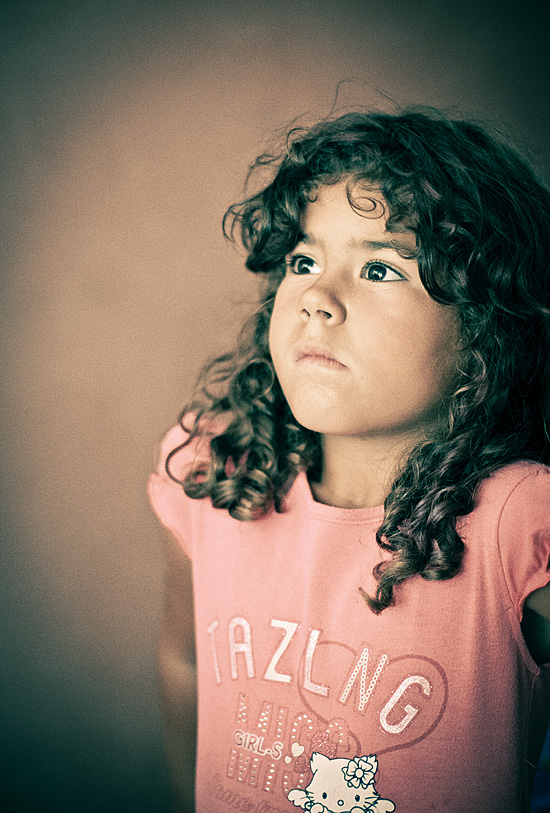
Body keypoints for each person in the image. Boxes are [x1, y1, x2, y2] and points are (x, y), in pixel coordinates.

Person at [148, 107, 550, 812]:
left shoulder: (518, 521)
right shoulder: (217, 470)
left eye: (378, 268)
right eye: (303, 261)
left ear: (487, 328)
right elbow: (183, 659)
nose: (316, 298)